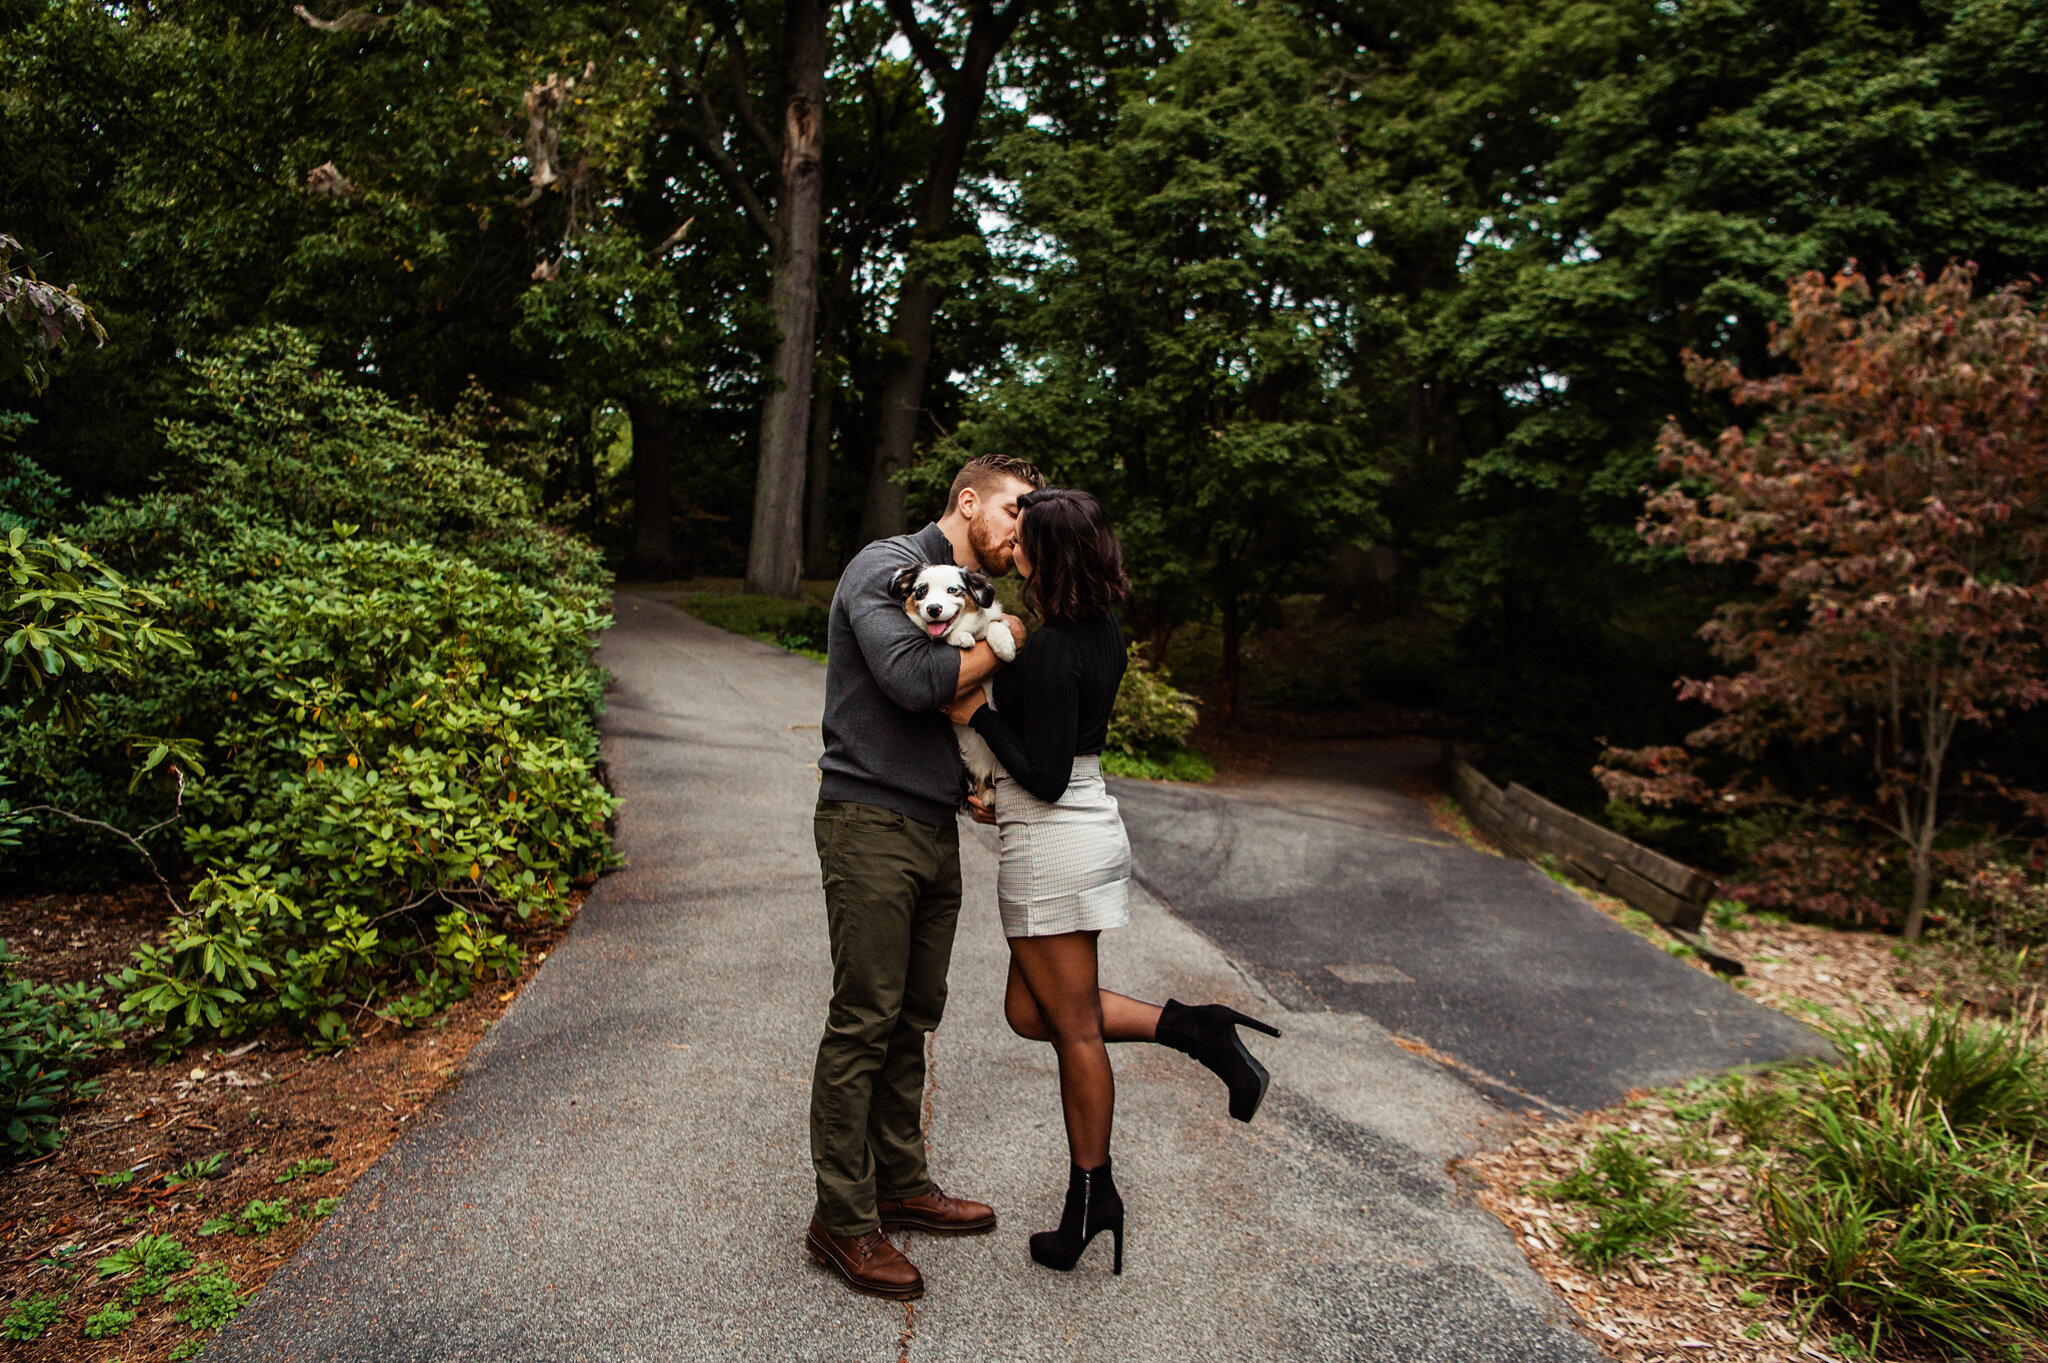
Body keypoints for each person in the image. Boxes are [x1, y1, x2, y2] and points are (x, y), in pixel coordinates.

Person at [942, 487, 1280, 1277]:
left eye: (1025, 533)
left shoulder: (1057, 644)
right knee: (1033, 1011)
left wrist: (975, 719)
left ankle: (1092, 1199)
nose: (1013, 540)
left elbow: (1048, 775)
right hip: (1070, 824)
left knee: (1073, 1030)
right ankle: (1194, 1028)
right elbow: (1063, 755)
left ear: (1049, 553)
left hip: (1055, 837)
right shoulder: (1100, 629)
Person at [804, 453, 1044, 1301]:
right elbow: (913, 680)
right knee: (864, 1016)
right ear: (969, 501)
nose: (1024, 523)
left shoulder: (965, 596)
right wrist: (1014, 641)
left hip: (934, 822)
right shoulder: (885, 568)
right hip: (868, 818)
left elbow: (958, 709)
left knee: (914, 1013)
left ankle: (899, 1180)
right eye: (1017, 507)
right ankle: (841, 1216)